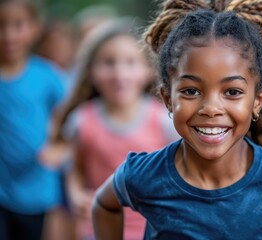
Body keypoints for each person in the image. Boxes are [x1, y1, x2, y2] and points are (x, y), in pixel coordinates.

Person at [92, 1, 262, 239]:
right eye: (191, 91)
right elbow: (104, 205)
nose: (211, 108)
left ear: (257, 101)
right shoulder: (143, 174)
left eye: (233, 92)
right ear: (167, 99)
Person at [50, 19, 178, 240]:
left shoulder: (165, 121)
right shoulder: (81, 121)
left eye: (131, 62)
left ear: (148, 69)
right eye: (108, 63)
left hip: (154, 231)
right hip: (98, 231)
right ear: (91, 71)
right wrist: (77, 196)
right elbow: (76, 169)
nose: (120, 73)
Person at [0, 0, 65, 239]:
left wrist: (60, 146)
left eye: (18, 25)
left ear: (34, 28)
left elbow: (71, 114)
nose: (8, 35)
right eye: (1, 25)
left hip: (35, 188)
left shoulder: (47, 76)